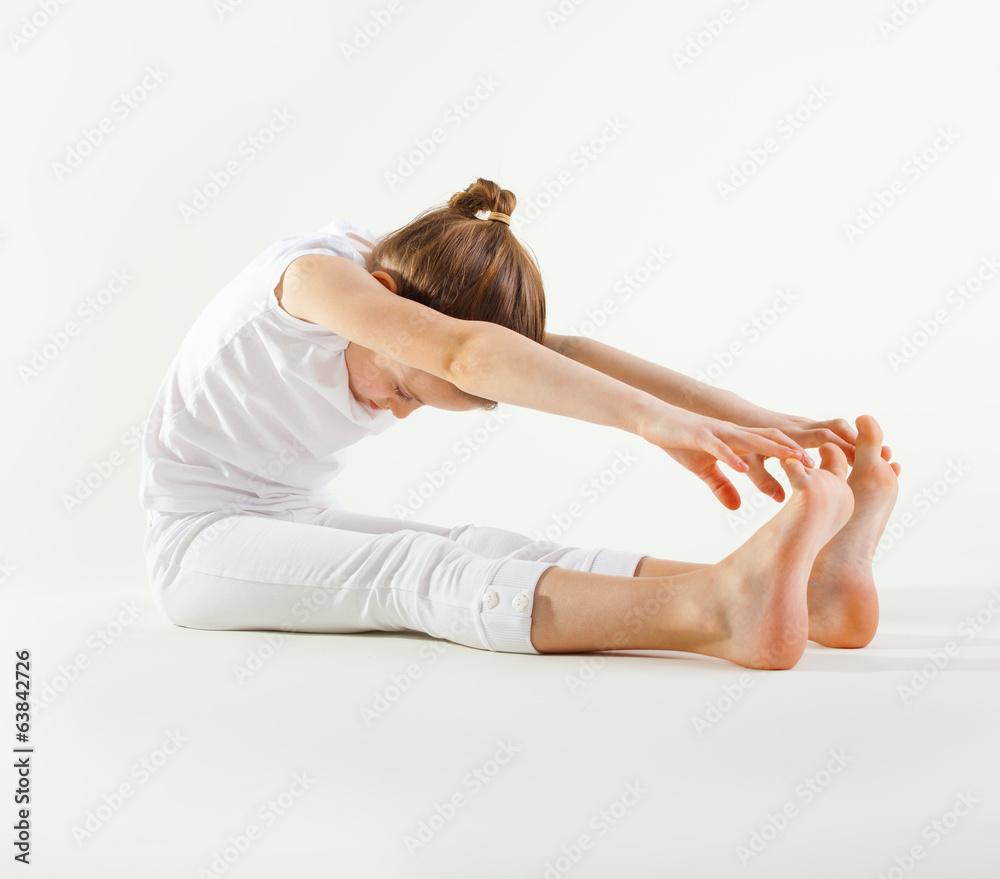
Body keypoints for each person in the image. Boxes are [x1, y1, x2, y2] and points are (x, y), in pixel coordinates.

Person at [139, 177, 901, 671]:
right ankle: (715, 609)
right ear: (385, 296)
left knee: (487, 547)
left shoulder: (419, 281)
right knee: (416, 571)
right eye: (405, 390)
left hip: (293, 515)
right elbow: (463, 352)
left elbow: (557, 354)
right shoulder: (312, 279)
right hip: (199, 545)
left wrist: (754, 419)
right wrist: (650, 422)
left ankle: (813, 596)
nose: (397, 408)